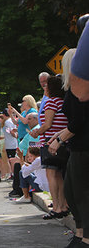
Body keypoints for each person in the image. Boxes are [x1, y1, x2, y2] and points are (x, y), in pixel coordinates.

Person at [56, 20, 89, 247]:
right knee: (72, 189)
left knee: (81, 193)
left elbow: (78, 121)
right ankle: (80, 234)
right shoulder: (72, 90)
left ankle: (84, 237)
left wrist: (58, 139)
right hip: (78, 146)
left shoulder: (78, 90)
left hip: (83, 146)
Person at [30, 75, 69, 220]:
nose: (44, 88)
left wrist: (36, 132)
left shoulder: (51, 102)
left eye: (46, 86)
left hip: (50, 141)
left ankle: (57, 207)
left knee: (51, 175)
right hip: (63, 141)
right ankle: (63, 206)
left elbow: (47, 124)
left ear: (51, 88)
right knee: (60, 175)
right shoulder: (63, 101)